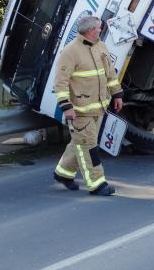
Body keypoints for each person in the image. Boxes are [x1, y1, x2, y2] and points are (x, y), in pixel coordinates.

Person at [53, 15, 124, 196]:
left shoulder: (101, 46)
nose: (101, 30)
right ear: (91, 30)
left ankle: (63, 173)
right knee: (88, 146)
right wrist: (66, 107)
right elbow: (60, 83)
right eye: (99, 28)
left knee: (80, 142)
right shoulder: (70, 52)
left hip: (98, 108)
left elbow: (110, 74)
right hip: (79, 112)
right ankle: (97, 184)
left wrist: (117, 94)